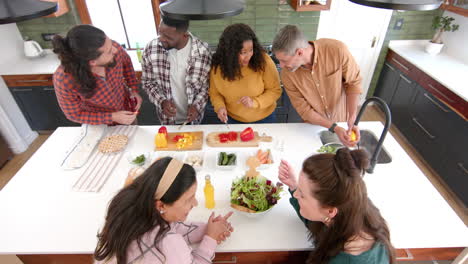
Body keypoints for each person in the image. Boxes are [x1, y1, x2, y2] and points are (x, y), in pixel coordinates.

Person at [94, 157, 234, 264]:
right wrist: (211, 239)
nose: (195, 203)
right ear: (161, 206)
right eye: (188, 199)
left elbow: (172, 226)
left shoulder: (131, 205)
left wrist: (209, 230)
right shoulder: (168, 243)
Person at [278, 148, 395, 264]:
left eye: (302, 195)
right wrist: (294, 186)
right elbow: (317, 215)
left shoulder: (345, 260)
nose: (296, 194)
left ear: (330, 211)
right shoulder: (352, 206)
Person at [272, 25, 362, 146]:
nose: (281, 66)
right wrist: (334, 127)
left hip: (342, 121)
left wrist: (352, 116)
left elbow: (353, 83)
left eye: (284, 60)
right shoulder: (287, 75)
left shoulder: (337, 50)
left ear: (299, 52)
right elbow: (304, 110)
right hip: (312, 127)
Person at [53, 25, 141, 125]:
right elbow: (74, 114)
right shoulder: (64, 80)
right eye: (109, 52)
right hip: (99, 124)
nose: (115, 50)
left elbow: (127, 64)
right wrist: (112, 117)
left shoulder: (112, 47)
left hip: (126, 111)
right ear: (92, 62)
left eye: (111, 43)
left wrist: (134, 89)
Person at [141, 16, 211, 125]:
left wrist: (197, 106)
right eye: (160, 33)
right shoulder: (151, 49)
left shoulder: (202, 52)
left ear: (184, 35)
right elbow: (148, 82)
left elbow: (206, 86)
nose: (161, 39)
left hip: (195, 121)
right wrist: (162, 102)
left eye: (168, 37)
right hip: (167, 121)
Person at [210, 23, 282, 124]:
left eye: (251, 50)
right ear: (230, 52)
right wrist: (220, 107)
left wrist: (255, 102)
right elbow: (215, 93)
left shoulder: (263, 60)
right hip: (232, 120)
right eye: (243, 52)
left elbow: (275, 90)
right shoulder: (218, 67)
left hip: (264, 120)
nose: (248, 56)